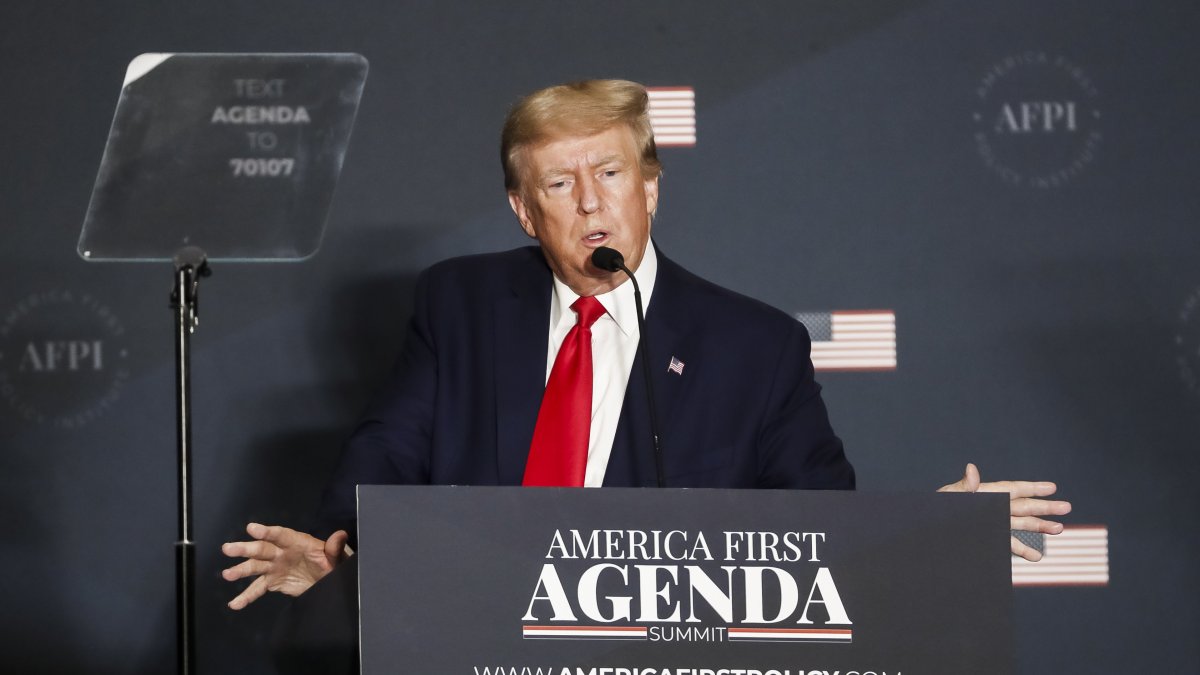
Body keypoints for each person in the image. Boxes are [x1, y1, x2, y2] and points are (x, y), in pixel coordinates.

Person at [222, 79, 1071, 611]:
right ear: (525, 211)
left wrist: (937, 531)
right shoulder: (463, 302)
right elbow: (389, 446)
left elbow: (817, 527)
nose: (592, 204)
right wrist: (336, 537)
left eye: (613, 174)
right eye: (561, 183)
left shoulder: (756, 345)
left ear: (651, 186)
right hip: (474, 637)